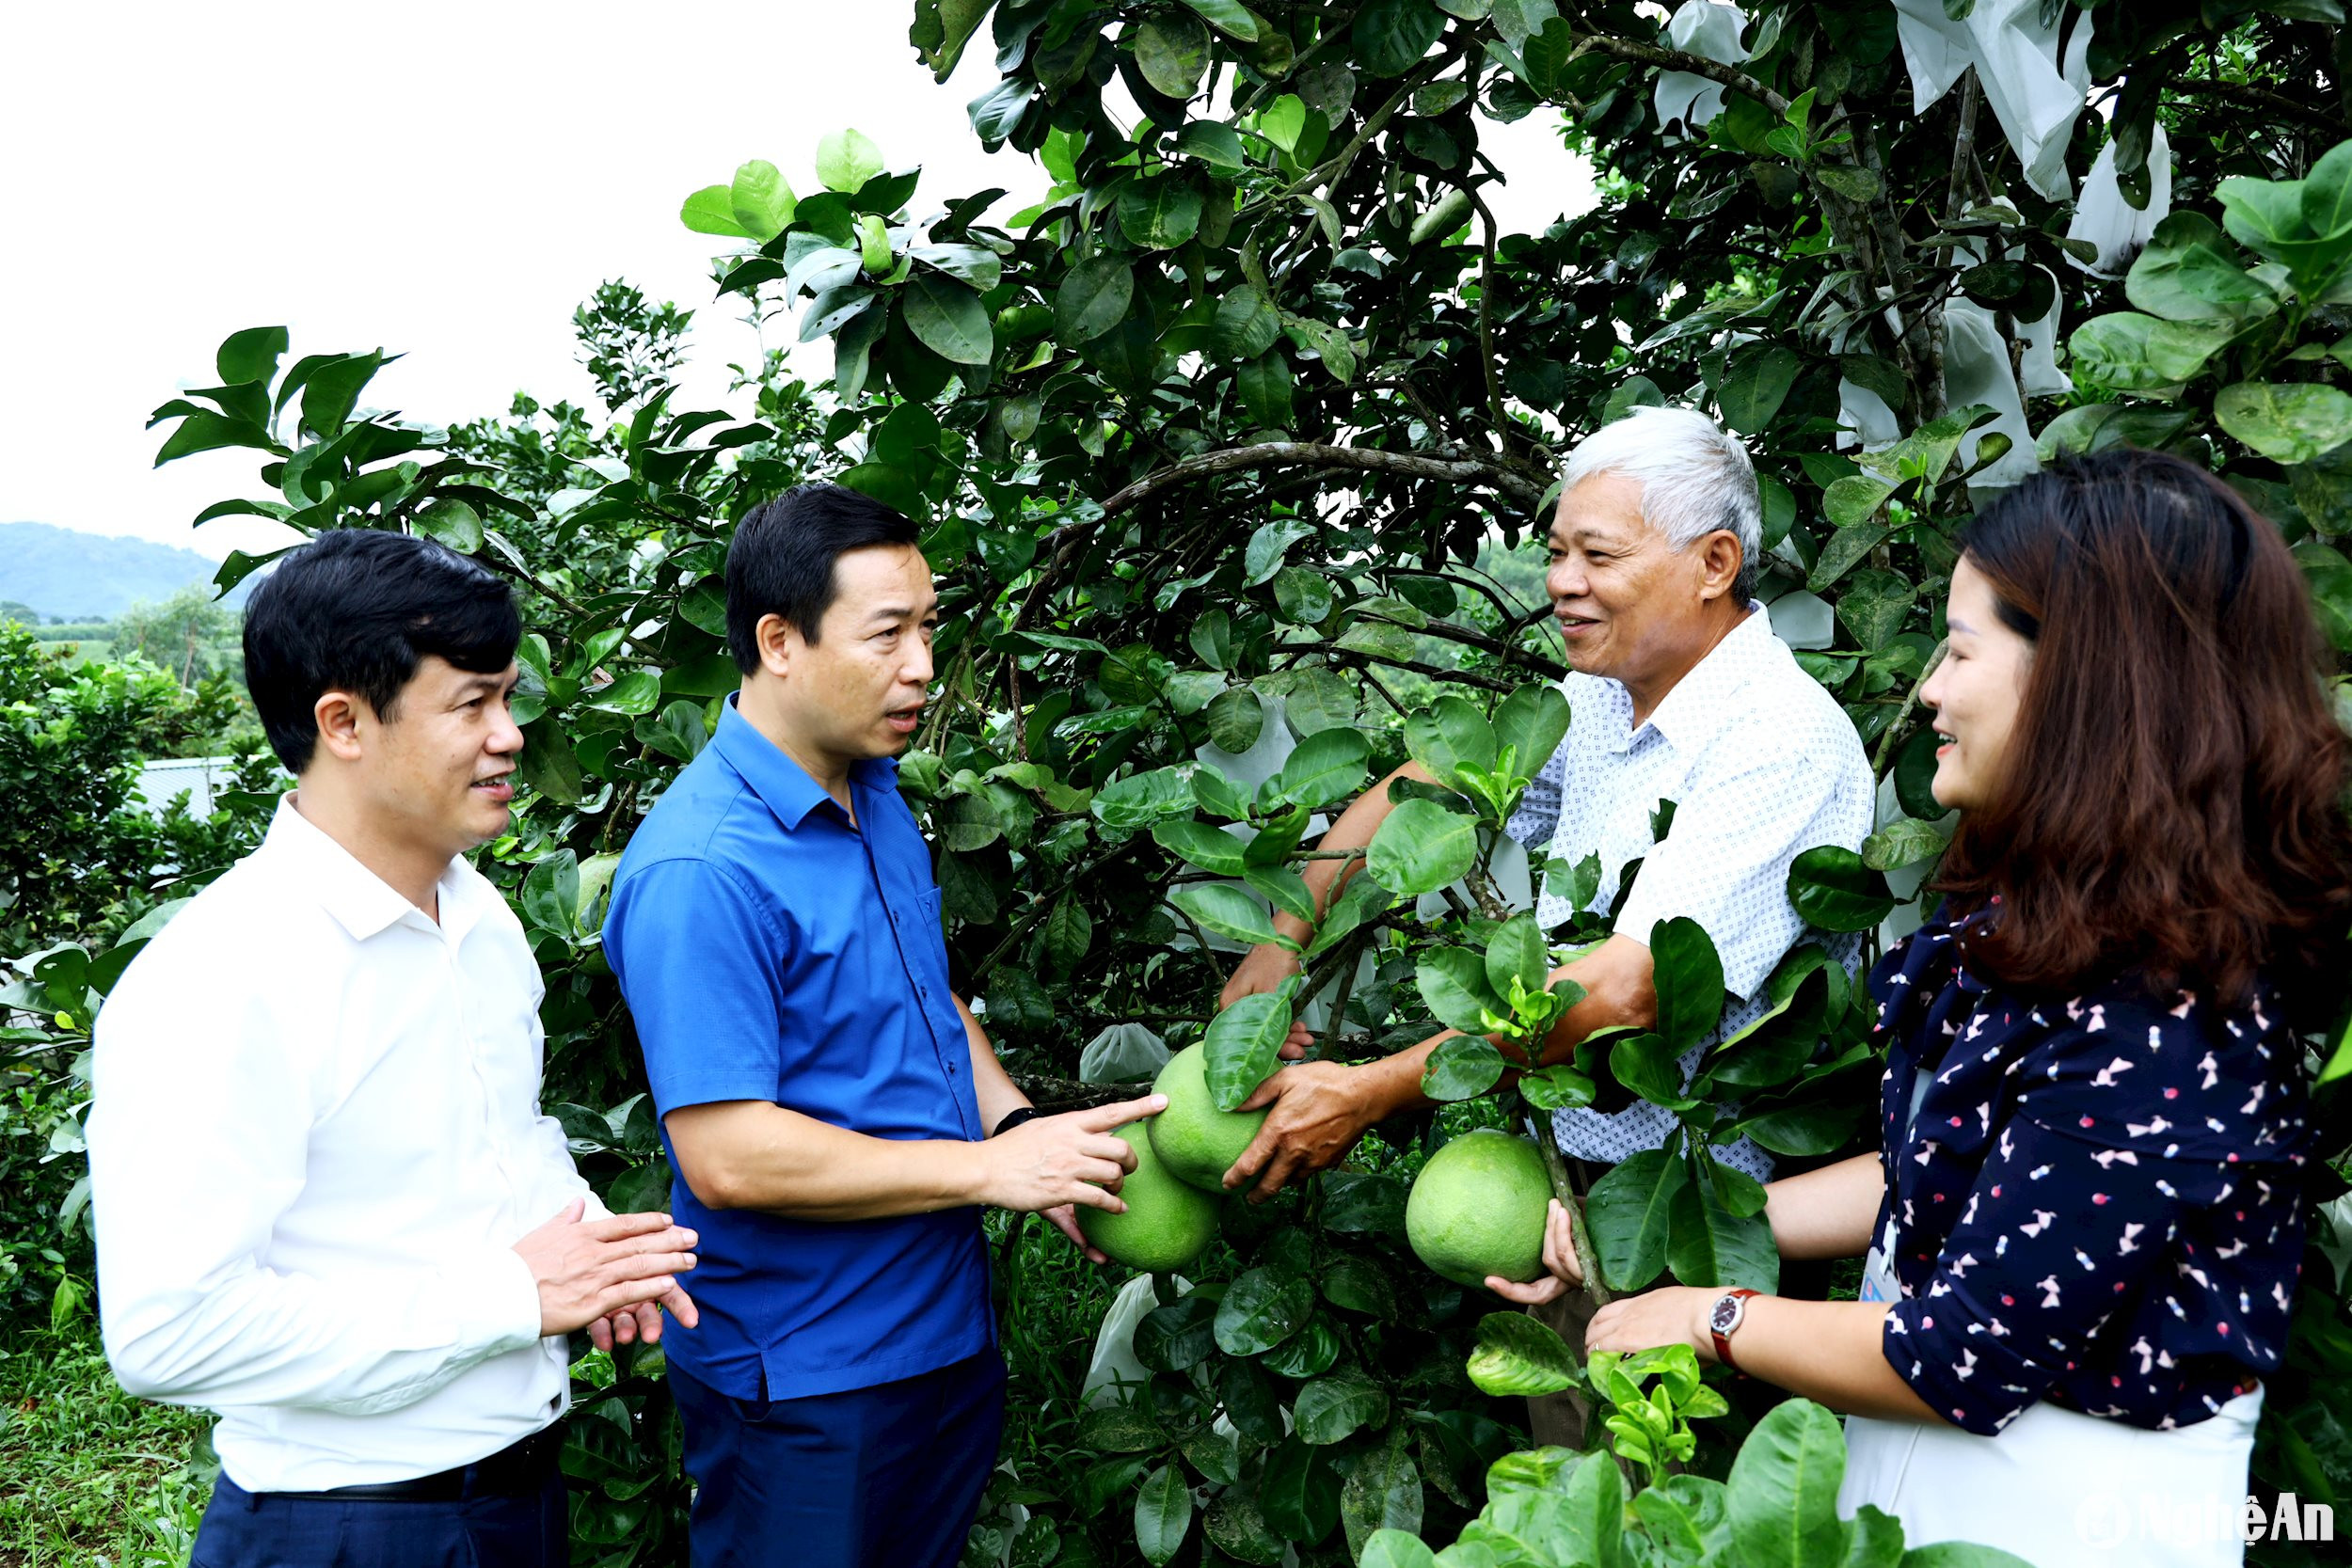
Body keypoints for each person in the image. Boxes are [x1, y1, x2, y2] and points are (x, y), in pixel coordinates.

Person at [1502, 449, 2344, 1567]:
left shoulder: (2172, 1014)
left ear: (2090, 680)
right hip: (1916, 1500)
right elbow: (1942, 1171)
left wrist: (1715, 1317)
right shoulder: (2054, 929)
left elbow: (1963, 1353)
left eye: (1957, 651)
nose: (1931, 689)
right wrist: (1658, 1246)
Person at [88, 529, 701, 1568]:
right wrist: (513, 1294)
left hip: (515, 1491)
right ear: (344, 722)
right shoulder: (221, 976)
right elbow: (167, 1330)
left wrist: (585, 1242)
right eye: (472, 702)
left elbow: (500, 1134)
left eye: (509, 696)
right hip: (347, 1521)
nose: (509, 734)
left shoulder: (482, 917)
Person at [601, 483, 1164, 1568]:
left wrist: (1015, 1129)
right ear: (779, 641)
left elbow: (925, 995)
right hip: (808, 1370)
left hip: (938, 1334)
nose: (921, 666)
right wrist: (984, 1173)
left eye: (930, 628)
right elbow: (724, 1154)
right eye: (887, 633)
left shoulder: (873, 790)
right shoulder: (700, 870)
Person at [1219, 404, 1874, 1198]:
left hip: (1699, 1213)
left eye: (1598, 555)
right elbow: (1427, 787)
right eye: (1558, 551)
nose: (1563, 583)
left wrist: (1369, 1091)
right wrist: (1288, 932)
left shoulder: (1779, 738)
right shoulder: (1601, 694)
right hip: (1554, 1173)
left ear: (1714, 564)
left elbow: (1633, 991)